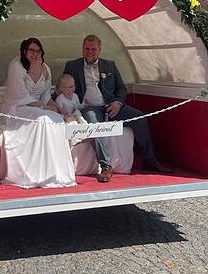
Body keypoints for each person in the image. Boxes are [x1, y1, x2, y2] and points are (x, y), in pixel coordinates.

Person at [63, 34, 173, 182]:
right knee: (95, 126)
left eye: (93, 49)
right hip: (89, 108)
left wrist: (118, 103)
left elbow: (121, 89)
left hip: (111, 106)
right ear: (82, 49)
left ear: (100, 50)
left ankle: (150, 160)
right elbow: (64, 87)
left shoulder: (110, 66)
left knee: (139, 117)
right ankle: (106, 166)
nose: (90, 52)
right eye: (87, 48)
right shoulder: (72, 66)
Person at [0, 38, 76, 188]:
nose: (35, 53)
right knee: (43, 119)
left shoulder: (46, 68)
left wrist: (60, 110)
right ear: (24, 52)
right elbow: (19, 95)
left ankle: (54, 170)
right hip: (17, 108)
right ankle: (34, 172)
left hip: (38, 108)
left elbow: (46, 96)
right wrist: (43, 108)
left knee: (56, 118)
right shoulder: (17, 66)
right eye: (31, 50)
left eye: (38, 51)